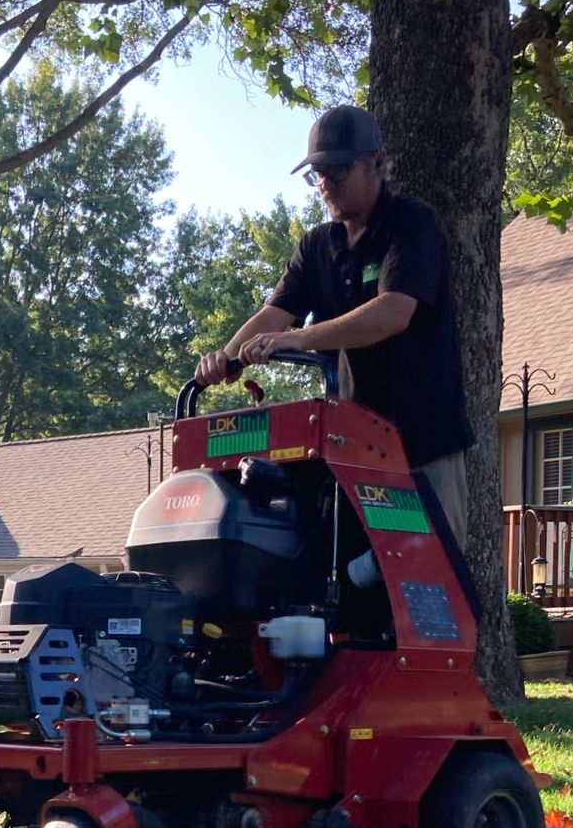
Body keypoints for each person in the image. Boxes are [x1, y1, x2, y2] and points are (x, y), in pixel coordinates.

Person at [194, 104, 473, 549]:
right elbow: (275, 314)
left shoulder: (411, 225)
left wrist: (296, 339)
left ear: (377, 164)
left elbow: (393, 313)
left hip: (420, 446)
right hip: (351, 449)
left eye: (337, 171)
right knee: (347, 581)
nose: (325, 185)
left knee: (425, 582)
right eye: (317, 174)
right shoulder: (316, 246)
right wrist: (225, 362)